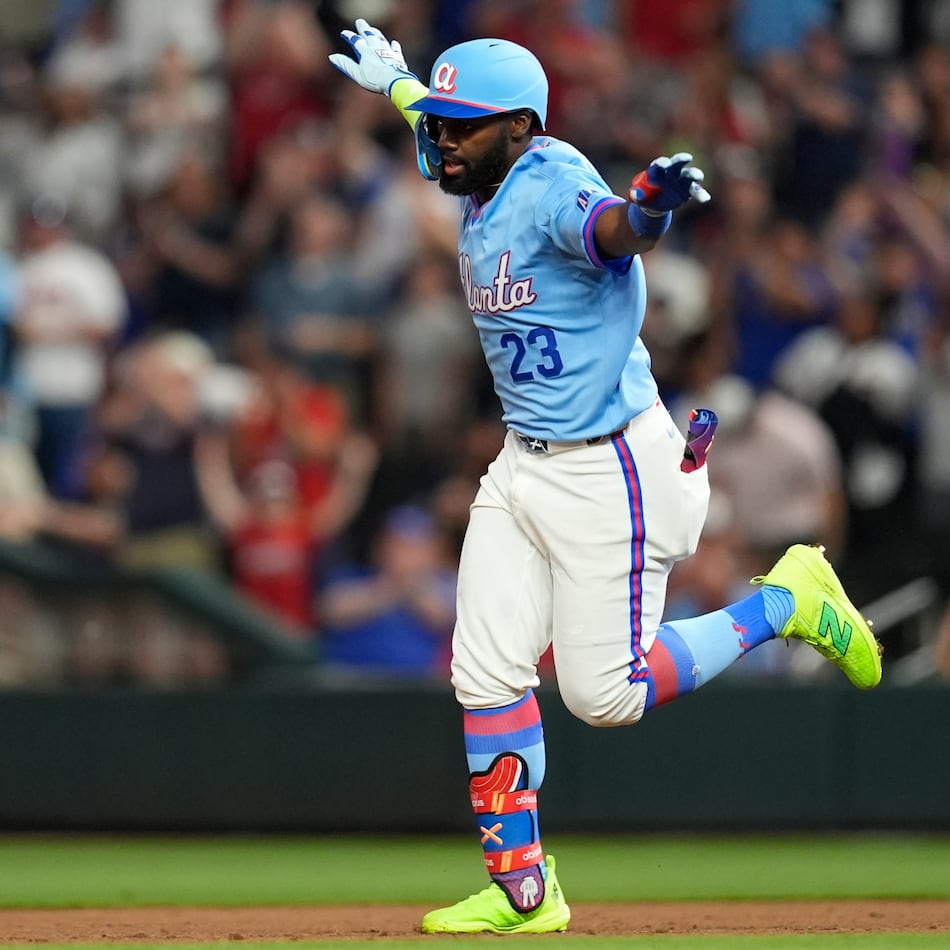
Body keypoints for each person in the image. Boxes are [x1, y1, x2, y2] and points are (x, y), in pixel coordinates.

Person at [329, 19, 883, 935]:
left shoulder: (550, 180)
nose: (442, 138)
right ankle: (524, 892)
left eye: (462, 124)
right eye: (439, 122)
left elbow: (611, 231)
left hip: (613, 468)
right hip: (523, 462)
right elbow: (430, 111)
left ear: (521, 127)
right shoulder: (484, 168)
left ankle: (786, 603)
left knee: (606, 697)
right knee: (485, 666)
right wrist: (400, 83)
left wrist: (652, 209)